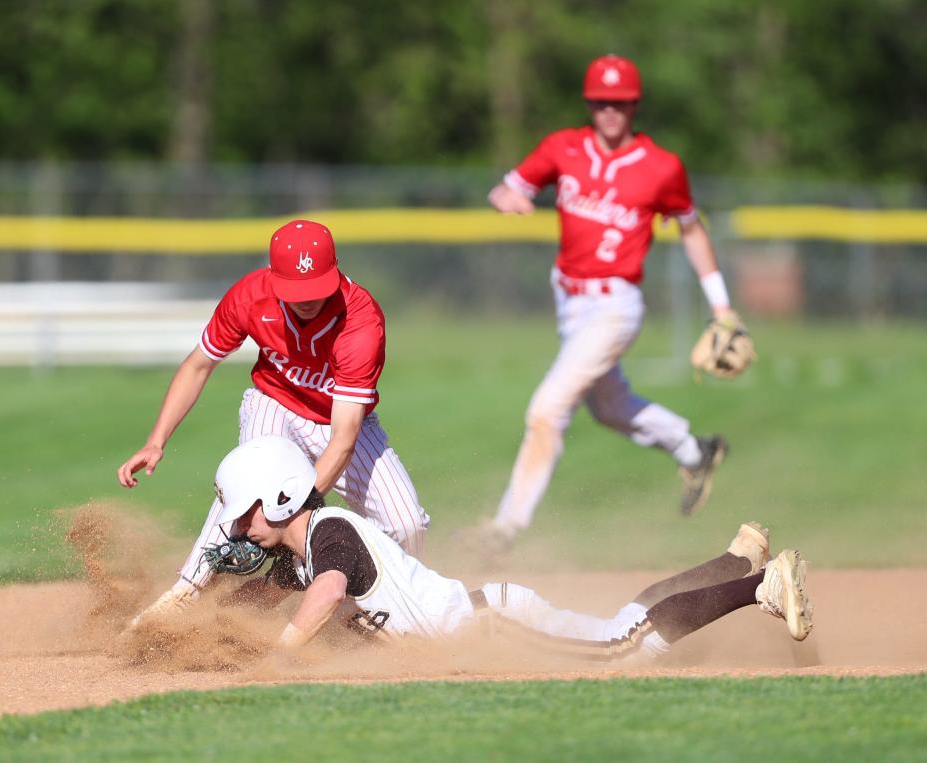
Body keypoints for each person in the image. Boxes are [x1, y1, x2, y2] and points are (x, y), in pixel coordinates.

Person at [163, 435, 813, 662]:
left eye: (243, 509)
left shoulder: (332, 533)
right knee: (621, 623)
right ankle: (737, 559)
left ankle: (759, 588)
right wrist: (199, 632)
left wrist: (276, 658)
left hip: (494, 625)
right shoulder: (302, 553)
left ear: (278, 498)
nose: (237, 526)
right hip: (489, 618)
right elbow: (261, 596)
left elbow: (328, 591)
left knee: (628, 648)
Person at [463, 54, 747, 556]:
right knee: (610, 406)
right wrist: (507, 197)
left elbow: (691, 229)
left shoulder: (662, 167)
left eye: (619, 102)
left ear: (634, 105)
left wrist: (722, 308)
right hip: (569, 303)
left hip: (616, 304)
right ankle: (694, 450)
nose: (609, 111)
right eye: (600, 102)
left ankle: (506, 526)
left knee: (547, 410)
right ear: (589, 104)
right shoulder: (563, 148)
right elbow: (507, 188)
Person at [117, 220, 430, 624]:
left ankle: (353, 606)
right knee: (249, 488)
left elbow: (343, 440)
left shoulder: (360, 323)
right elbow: (198, 365)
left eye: (316, 288)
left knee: (406, 523)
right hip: (274, 404)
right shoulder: (251, 296)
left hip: (340, 424)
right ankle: (186, 594)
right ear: (274, 278)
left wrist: (287, 521)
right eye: (296, 291)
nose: (306, 301)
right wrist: (156, 440)